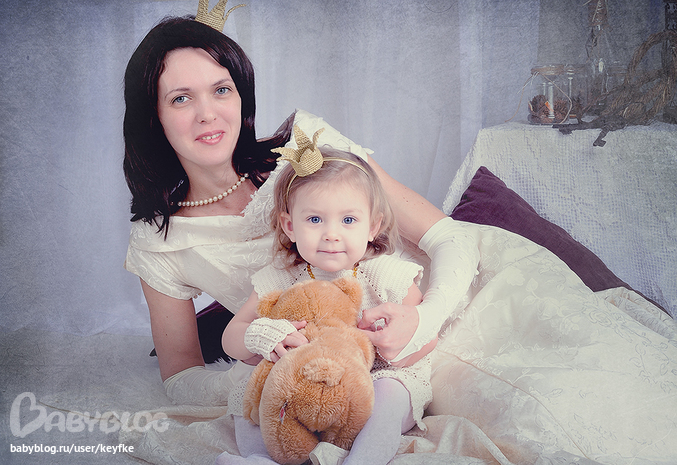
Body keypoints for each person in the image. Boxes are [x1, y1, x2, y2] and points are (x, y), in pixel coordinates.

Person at [122, 15, 468, 408]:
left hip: (447, 310)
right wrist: (260, 376)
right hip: (336, 370)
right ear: (153, 117)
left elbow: (450, 237)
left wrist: (424, 319)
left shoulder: (308, 154)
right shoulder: (159, 240)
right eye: (181, 98)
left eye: (221, 90)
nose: (207, 114)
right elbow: (180, 377)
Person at [219, 135, 437, 465]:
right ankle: (260, 458)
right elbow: (230, 339)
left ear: (372, 226)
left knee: (391, 393)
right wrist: (260, 335)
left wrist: (389, 348)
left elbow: (427, 336)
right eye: (315, 220)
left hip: (370, 382)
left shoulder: (385, 275)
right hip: (300, 385)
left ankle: (362, 460)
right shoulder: (279, 278)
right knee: (251, 393)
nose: (331, 234)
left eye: (348, 220)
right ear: (290, 226)